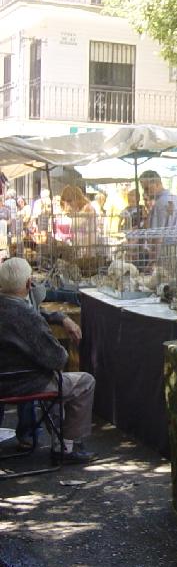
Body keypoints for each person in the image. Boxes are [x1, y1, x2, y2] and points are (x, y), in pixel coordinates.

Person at [0, 257, 96, 463]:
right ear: (28, 284)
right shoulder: (27, 316)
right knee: (84, 382)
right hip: (26, 384)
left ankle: (51, 439)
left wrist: (60, 317)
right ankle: (66, 447)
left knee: (53, 378)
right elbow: (58, 358)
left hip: (6, 382)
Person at [140, 170, 177, 239]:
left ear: (157, 184)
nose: (145, 192)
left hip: (165, 246)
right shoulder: (175, 198)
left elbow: (156, 235)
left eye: (147, 189)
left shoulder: (160, 203)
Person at [60, 186, 97, 251]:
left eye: (69, 201)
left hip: (87, 245)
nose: (68, 204)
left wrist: (73, 214)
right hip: (80, 244)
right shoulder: (79, 209)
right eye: (66, 201)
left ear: (77, 198)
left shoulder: (88, 208)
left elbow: (78, 224)